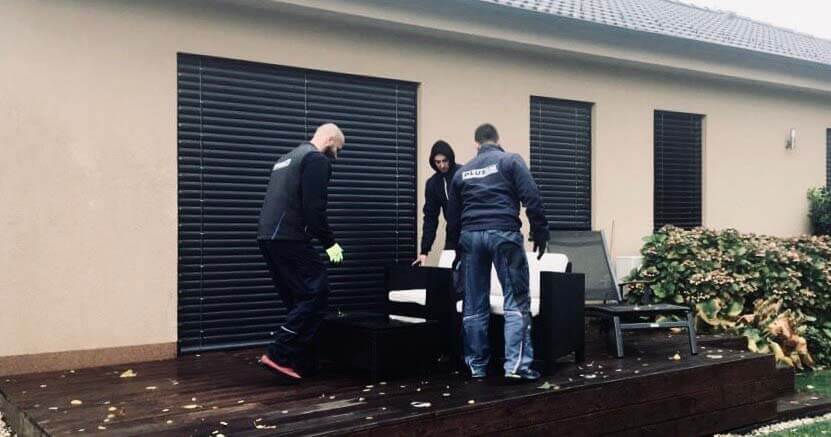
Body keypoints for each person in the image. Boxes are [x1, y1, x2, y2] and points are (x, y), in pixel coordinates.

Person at [446, 123, 550, 381]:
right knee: (516, 300)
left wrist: (457, 250)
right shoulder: (510, 161)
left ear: (476, 143)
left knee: (473, 303)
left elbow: (453, 218)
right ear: (497, 139)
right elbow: (532, 196)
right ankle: (516, 367)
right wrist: (540, 232)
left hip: (470, 237)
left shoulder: (462, 173)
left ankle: (477, 366)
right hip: (503, 232)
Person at [256, 123, 345, 382]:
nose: (336, 155)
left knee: (298, 298)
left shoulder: (285, 159)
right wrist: (330, 243)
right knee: (317, 291)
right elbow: (314, 209)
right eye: (338, 149)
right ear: (330, 139)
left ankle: (303, 361)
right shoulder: (316, 159)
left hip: (267, 237)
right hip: (289, 237)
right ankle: (279, 354)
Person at [412, 140, 462, 267]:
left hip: (471, 232)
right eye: (438, 162)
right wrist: (424, 251)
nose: (442, 165)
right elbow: (430, 218)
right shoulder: (433, 184)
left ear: (450, 159)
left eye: (445, 161)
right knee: (447, 273)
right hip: (452, 235)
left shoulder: (462, 174)